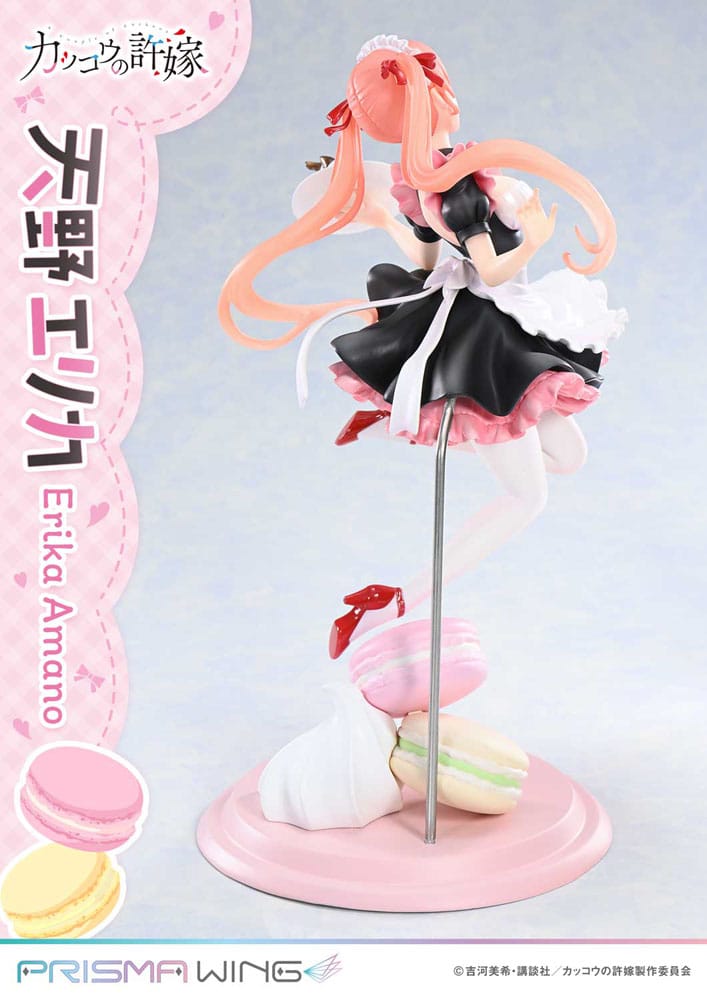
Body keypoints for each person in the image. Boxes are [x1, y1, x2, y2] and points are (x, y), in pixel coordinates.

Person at [218, 34, 627, 660]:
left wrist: (388, 217)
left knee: (568, 456)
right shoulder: (455, 185)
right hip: (485, 340)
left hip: (490, 320)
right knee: (527, 497)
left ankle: (391, 422)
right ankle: (395, 598)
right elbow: (489, 269)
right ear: (430, 106)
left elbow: (427, 257)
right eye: (438, 89)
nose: (450, 97)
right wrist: (537, 237)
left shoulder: (431, 179)